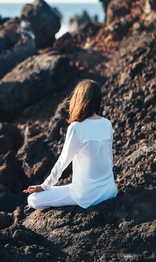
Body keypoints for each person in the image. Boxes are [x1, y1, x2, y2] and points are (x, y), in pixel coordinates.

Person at [24, 79, 117, 209]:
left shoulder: (77, 127)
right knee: (71, 186)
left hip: (87, 195)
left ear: (80, 99)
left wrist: (45, 186)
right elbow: (109, 159)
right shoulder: (107, 123)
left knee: (32, 199)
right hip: (109, 191)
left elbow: (63, 161)